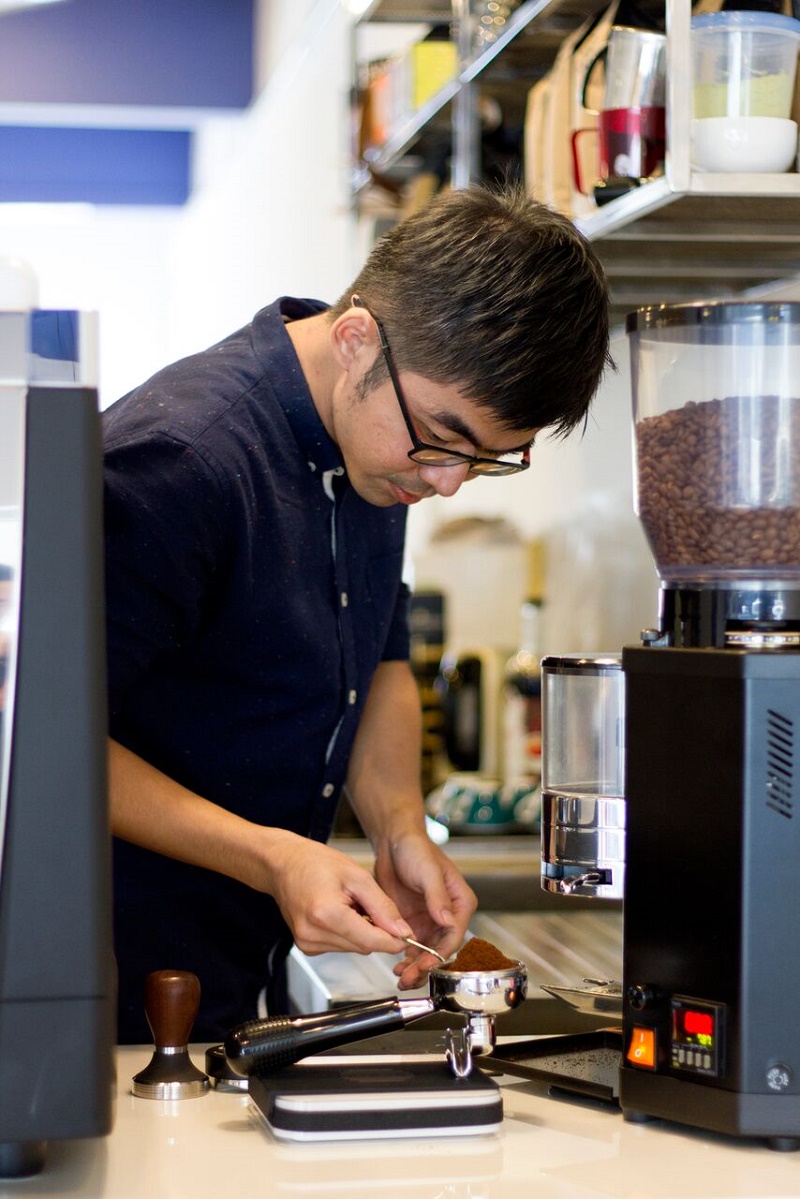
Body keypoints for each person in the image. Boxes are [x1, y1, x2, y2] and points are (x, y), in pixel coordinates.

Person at [103, 184, 611, 1043]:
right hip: (112, 990)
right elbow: (43, 746)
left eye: (490, 459)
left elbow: (379, 660)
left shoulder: (384, 443)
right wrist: (273, 856)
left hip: (234, 987)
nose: (449, 483)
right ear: (355, 340)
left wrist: (399, 827)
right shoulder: (177, 463)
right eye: (446, 441)